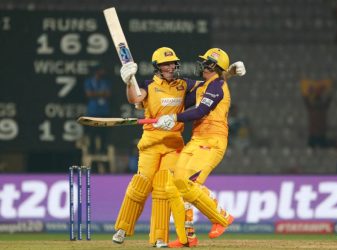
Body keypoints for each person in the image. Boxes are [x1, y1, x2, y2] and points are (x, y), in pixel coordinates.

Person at [112, 47, 244, 247]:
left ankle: (160, 238)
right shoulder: (148, 84)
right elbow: (134, 98)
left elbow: (210, 85)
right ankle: (122, 228)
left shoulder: (184, 85)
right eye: (166, 63)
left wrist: (229, 73)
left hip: (174, 142)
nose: (171, 66)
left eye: (173, 62)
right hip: (151, 142)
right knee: (141, 185)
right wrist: (129, 80)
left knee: (167, 188)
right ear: (157, 67)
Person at [154, 48, 246, 247]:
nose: (202, 65)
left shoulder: (217, 86)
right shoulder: (205, 86)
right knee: (176, 185)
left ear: (214, 66)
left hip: (212, 142)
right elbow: (180, 102)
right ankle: (188, 238)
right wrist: (148, 100)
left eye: (207, 62)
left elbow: (201, 110)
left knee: (187, 184)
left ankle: (222, 218)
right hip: (197, 140)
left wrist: (174, 118)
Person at [84, 64, 111, 173]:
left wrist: (96, 94)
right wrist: (101, 94)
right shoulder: (89, 81)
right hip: (93, 112)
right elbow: (88, 94)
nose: (103, 72)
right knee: (92, 133)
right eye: (101, 70)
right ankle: (92, 150)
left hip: (103, 111)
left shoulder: (106, 82)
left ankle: (102, 150)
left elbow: (108, 94)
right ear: (96, 72)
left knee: (103, 133)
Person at [300, 78, 332, 148]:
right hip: (313, 134)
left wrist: (329, 91)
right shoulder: (311, 108)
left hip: (321, 134)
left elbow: (329, 100)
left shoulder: (323, 108)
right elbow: (305, 100)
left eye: (319, 100)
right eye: (316, 101)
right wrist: (305, 90)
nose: (317, 102)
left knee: (323, 151)